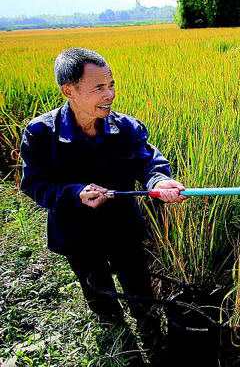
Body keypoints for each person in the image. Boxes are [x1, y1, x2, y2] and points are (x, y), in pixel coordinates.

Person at [19, 47, 187, 365]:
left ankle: (156, 346)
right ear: (69, 90)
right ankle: (121, 351)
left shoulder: (125, 128)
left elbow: (149, 162)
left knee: (141, 295)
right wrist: (74, 194)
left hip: (123, 228)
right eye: (99, 87)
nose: (109, 94)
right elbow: (34, 185)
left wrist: (159, 182)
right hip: (76, 234)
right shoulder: (41, 133)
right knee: (100, 298)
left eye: (111, 85)